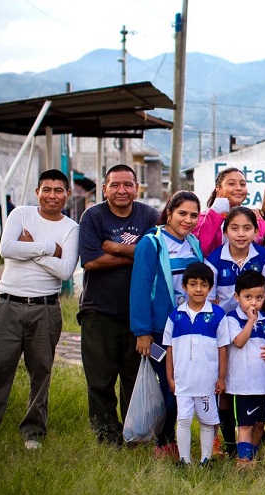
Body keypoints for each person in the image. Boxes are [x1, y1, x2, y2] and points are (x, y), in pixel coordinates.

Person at [0, 169, 79, 452]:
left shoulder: (71, 228)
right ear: (37, 192)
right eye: (46, 189)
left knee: (41, 372)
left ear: (67, 195)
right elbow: (6, 249)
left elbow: (65, 272)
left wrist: (30, 249)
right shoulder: (20, 215)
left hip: (46, 308)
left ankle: (33, 432)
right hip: (8, 305)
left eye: (58, 190)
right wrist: (49, 248)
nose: (52, 195)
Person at [77, 164, 160, 445]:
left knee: (134, 376)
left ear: (137, 188)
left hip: (138, 313)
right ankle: (106, 432)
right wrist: (137, 254)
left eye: (127, 184)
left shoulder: (150, 215)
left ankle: (134, 431)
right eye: (115, 185)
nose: (121, 190)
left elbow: (156, 254)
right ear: (104, 189)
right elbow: (91, 261)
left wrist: (113, 247)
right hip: (97, 310)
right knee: (99, 378)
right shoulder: (93, 216)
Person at [130, 190, 204, 460]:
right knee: (169, 389)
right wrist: (142, 332)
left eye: (193, 215)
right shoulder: (152, 243)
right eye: (182, 213)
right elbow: (140, 288)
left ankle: (172, 439)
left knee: (184, 388)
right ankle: (163, 440)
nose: (188, 220)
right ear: (169, 213)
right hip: (161, 332)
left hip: (188, 330)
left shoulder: (193, 243)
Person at [164, 262, 229, 466]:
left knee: (207, 421)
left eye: (203, 284)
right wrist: (169, 377)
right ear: (184, 286)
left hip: (207, 382)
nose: (198, 289)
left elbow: (223, 348)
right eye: (193, 284)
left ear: (210, 288)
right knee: (182, 420)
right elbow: (169, 348)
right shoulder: (176, 315)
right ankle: (184, 460)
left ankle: (205, 459)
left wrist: (221, 378)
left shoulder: (218, 315)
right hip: (183, 381)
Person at [224, 270, 265, 466]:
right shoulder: (232, 318)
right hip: (243, 384)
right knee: (244, 424)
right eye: (248, 297)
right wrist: (251, 321)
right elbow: (238, 342)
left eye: (259, 297)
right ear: (237, 297)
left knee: (260, 423)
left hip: (263, 382)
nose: (253, 302)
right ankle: (243, 462)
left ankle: (251, 458)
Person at [205, 206, 265, 313]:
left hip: (255, 321)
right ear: (225, 232)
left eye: (247, 228)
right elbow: (210, 301)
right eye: (234, 228)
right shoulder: (213, 261)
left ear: (256, 231)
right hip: (224, 322)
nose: (241, 234)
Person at [193, 167, 265, 256]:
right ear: (219, 190)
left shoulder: (257, 220)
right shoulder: (201, 219)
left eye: (242, 184)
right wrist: (215, 213)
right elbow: (200, 251)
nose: (239, 188)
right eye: (232, 184)